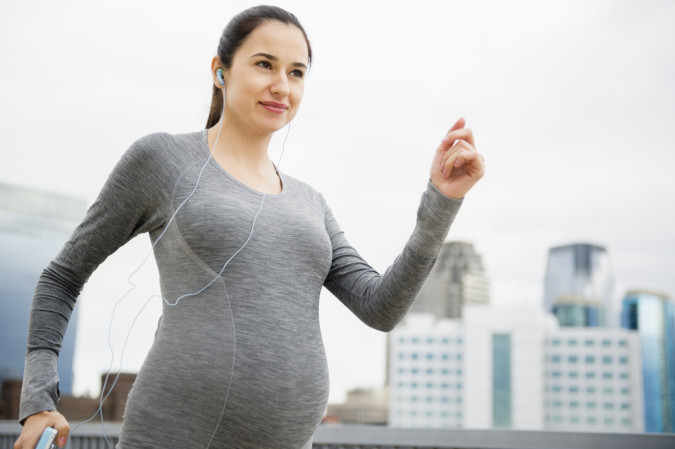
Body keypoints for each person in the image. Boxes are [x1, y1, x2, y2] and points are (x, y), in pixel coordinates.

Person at [14, 5, 484, 449]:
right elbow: (63, 276)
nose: (282, 85)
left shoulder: (310, 202)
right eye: (265, 64)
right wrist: (38, 398)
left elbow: (381, 308)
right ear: (221, 70)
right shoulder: (162, 160)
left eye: (296, 72)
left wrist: (442, 200)